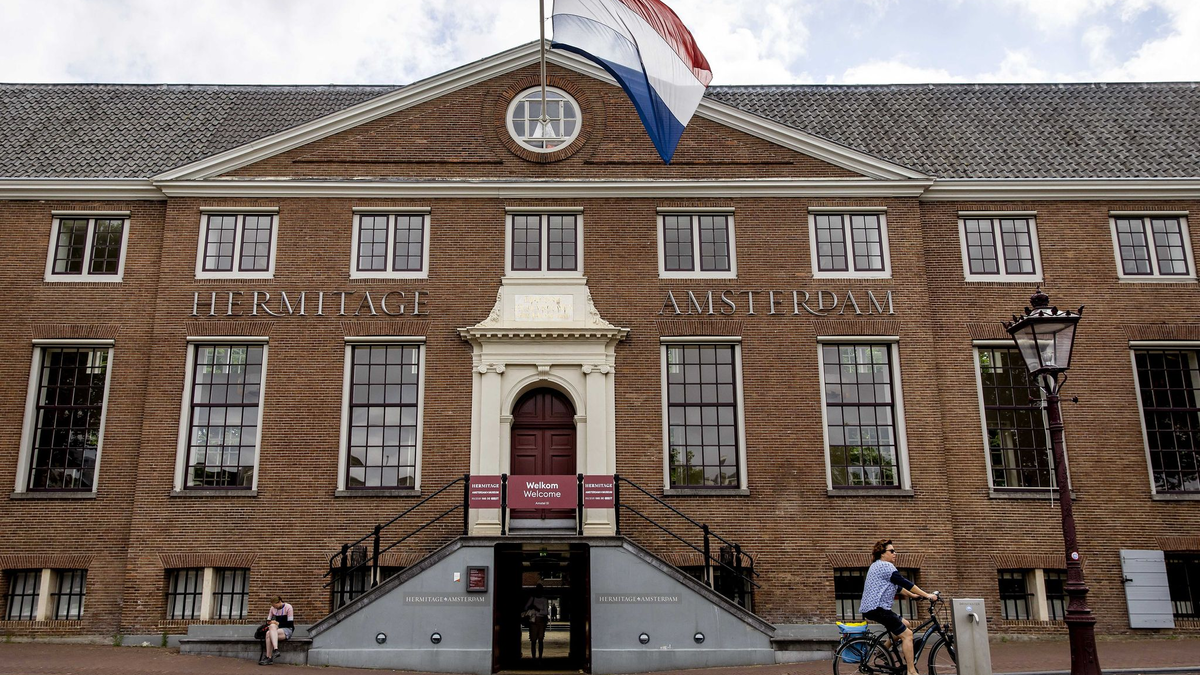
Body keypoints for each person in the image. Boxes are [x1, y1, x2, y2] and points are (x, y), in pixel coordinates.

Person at [859, 540, 937, 675]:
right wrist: (927, 595)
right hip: (878, 609)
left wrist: (914, 596)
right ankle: (911, 671)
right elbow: (905, 583)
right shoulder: (886, 566)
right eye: (892, 551)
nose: (895, 553)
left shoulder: (876, 566)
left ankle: (882, 652)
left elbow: (898, 587)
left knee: (905, 624)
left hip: (873, 608)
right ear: (882, 554)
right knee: (907, 635)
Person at [260, 596, 294, 666]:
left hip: (287, 629)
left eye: (275, 605)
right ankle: (275, 650)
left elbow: (290, 623)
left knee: (269, 633)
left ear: (280, 602)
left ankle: (268, 657)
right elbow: (268, 621)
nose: (274, 607)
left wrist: (277, 623)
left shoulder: (288, 607)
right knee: (270, 630)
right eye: (273, 606)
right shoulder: (272, 609)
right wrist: (271, 622)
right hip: (276, 629)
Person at [523, 583, 549, 659]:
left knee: (540, 639)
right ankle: (534, 657)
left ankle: (540, 656)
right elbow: (526, 608)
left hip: (541, 620)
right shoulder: (532, 598)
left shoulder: (544, 600)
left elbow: (546, 612)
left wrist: (537, 609)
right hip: (533, 620)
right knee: (533, 640)